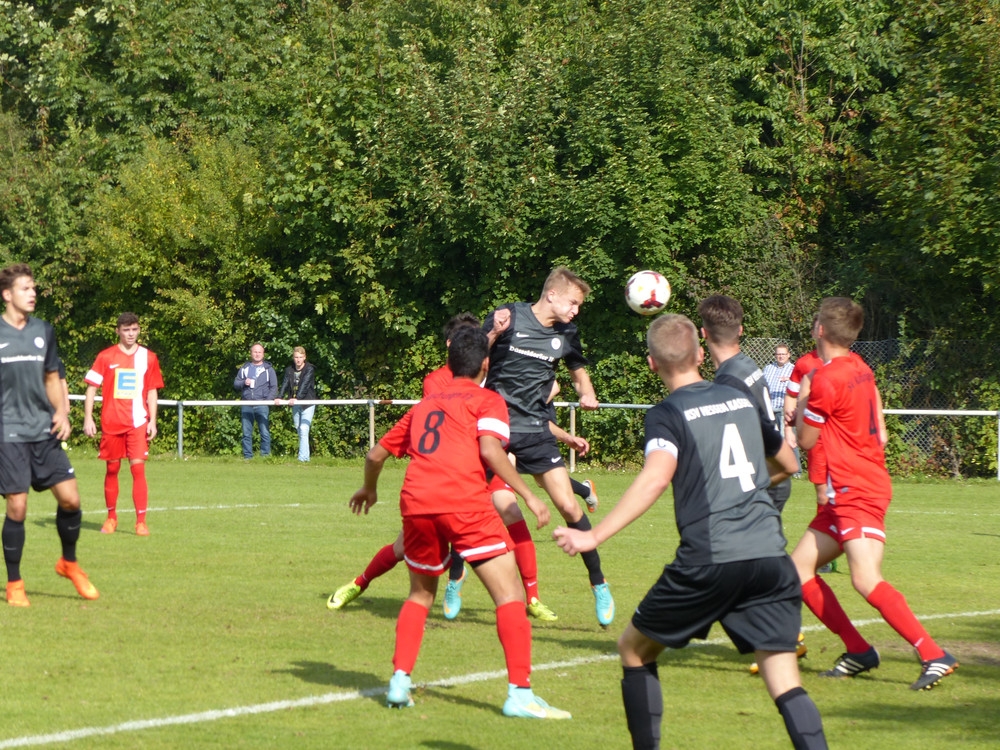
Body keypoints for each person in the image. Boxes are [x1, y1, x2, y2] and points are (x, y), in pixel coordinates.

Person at [553, 314, 825, 750]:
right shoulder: (737, 398)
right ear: (700, 354)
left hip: (712, 558)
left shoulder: (667, 413)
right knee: (784, 679)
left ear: (651, 363)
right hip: (770, 557)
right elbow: (788, 463)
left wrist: (593, 535)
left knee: (634, 650)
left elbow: (656, 477)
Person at [349, 327, 571, 719]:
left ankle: (399, 681)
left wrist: (369, 489)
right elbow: (490, 450)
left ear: (450, 363)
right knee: (510, 596)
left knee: (420, 596)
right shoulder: (488, 400)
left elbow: (375, 455)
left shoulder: (425, 405)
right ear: (486, 364)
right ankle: (520, 694)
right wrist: (529, 494)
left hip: (417, 503)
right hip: (464, 503)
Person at [329, 313, 560, 623]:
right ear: (452, 345)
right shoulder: (437, 381)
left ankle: (532, 597)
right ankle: (363, 583)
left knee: (513, 514)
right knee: (402, 547)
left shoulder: (490, 370)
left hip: (485, 467)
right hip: (451, 472)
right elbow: (444, 425)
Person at [789, 297, 957, 691]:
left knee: (865, 579)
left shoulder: (825, 379)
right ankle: (859, 650)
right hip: (848, 487)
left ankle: (934, 654)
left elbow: (805, 440)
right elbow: (875, 425)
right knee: (796, 570)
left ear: (820, 330)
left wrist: (801, 407)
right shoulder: (860, 367)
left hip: (857, 488)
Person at [482, 266, 614, 626]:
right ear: (552, 295)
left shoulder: (567, 333)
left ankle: (599, 583)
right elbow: (473, 359)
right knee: (471, 504)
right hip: (494, 426)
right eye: (573, 303)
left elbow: (578, 373)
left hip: (535, 429)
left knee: (569, 505)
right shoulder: (508, 316)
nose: (576, 310)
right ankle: (453, 581)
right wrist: (492, 333)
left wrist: (587, 393)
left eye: (579, 305)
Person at [0, 263, 99, 606]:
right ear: (7, 294)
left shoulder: (44, 330)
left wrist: (62, 411)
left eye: (33, 288)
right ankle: (15, 583)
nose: (33, 293)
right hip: (8, 432)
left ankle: (68, 563)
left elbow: (52, 377)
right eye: (25, 288)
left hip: (43, 430)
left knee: (71, 499)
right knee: (17, 506)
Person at [698, 296, 794, 514]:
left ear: (704, 333)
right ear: (740, 330)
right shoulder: (746, 364)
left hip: (762, 477)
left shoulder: (729, 381)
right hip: (773, 473)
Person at [83, 312, 165, 536]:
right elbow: (91, 388)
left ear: (139, 330)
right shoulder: (105, 356)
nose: (131, 334)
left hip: (137, 422)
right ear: (118, 331)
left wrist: (152, 421)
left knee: (138, 468)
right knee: (112, 468)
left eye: (134, 329)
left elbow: (152, 391)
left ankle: (141, 522)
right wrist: (88, 417)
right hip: (111, 422)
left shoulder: (148, 357)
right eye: (126, 330)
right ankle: (111, 518)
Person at [233, 343, 277, 459]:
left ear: (263, 354)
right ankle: (248, 457)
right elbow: (236, 384)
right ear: (251, 353)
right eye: (255, 352)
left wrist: (267, 401)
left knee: (264, 432)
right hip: (246, 404)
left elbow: (274, 387)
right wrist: (244, 382)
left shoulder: (268, 370)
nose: (257, 354)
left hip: (262, 404)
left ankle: (265, 456)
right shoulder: (244, 368)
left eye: (259, 352)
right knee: (246, 433)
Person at [275, 346, 317, 462]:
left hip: (307, 403)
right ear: (293, 358)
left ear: (304, 357)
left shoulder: (309, 369)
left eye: (300, 357)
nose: (298, 360)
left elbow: (305, 385)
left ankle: (303, 458)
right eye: (296, 357)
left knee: (304, 429)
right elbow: (285, 384)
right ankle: (305, 457)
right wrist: (279, 397)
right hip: (295, 403)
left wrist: (297, 398)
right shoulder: (289, 370)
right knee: (299, 429)